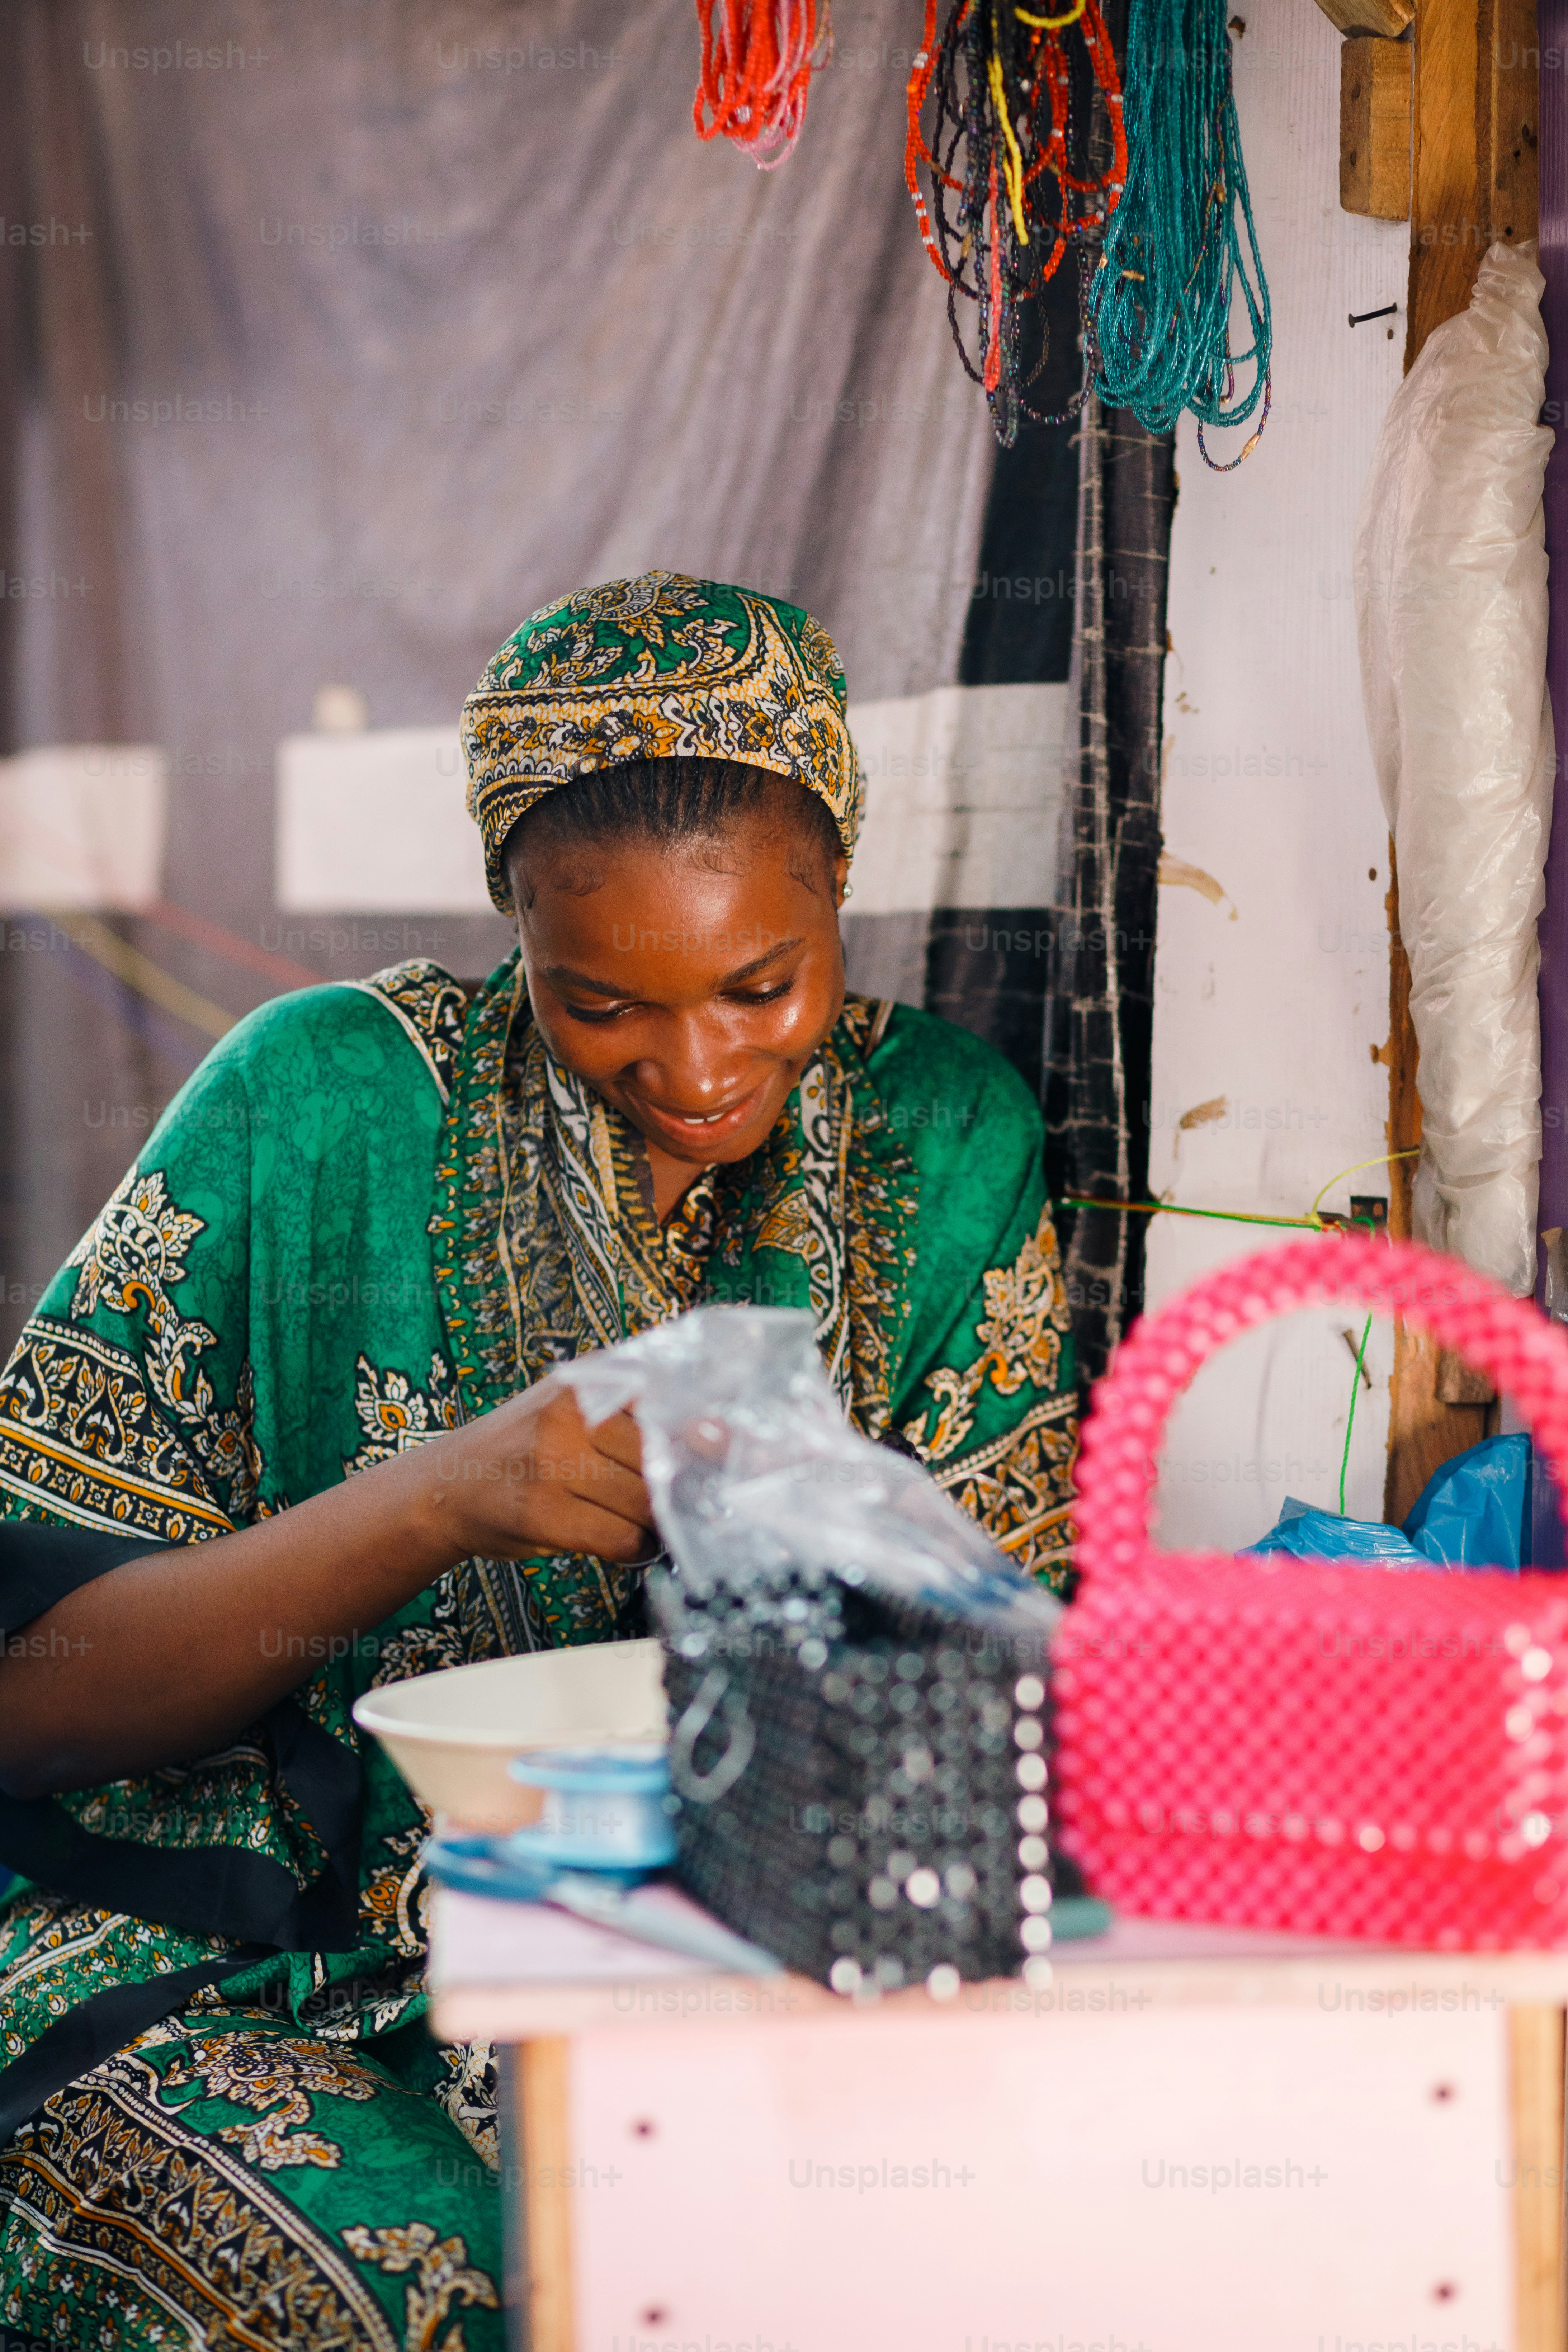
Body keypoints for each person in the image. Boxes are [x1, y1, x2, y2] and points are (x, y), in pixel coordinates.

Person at [0, 572, 1077, 2349]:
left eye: (761, 983)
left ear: (838, 893)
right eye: (601, 1007)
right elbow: (36, 1700)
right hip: (234, 1943)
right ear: (513, 926)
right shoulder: (321, 1104)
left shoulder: (942, 1138)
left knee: (878, 2257)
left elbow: (1008, 1660)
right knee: (458, 2300)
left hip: (736, 1939)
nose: (695, 1065)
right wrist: (436, 1494)